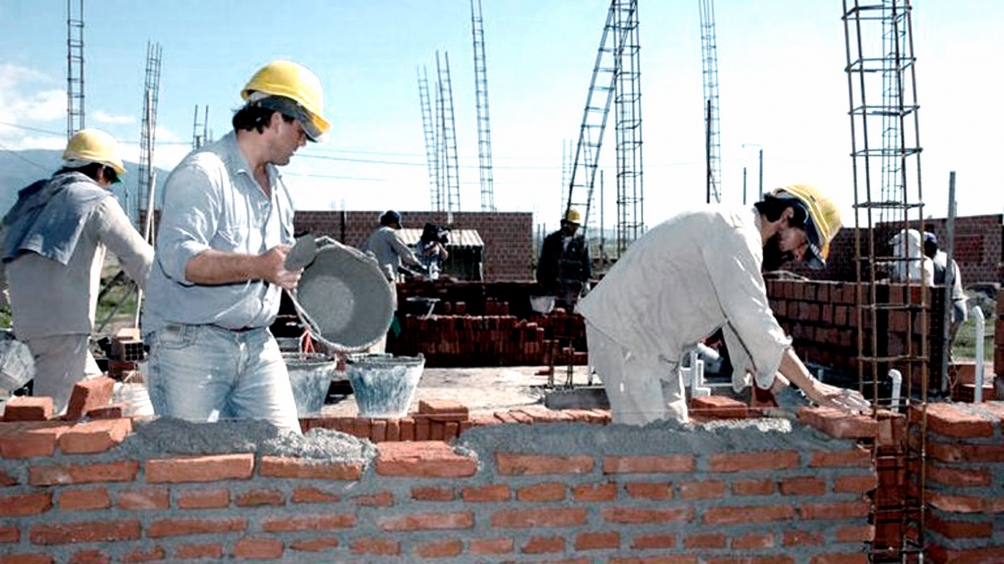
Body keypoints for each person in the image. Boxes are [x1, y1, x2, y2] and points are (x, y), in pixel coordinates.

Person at [142, 60, 331, 435]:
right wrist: (259, 266)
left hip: (258, 344)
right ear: (277, 119)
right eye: (301, 130)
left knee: (286, 453)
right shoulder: (203, 173)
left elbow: (277, 266)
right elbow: (182, 261)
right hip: (191, 345)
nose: (303, 142)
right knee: (195, 466)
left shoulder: (278, 189)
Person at [576, 184, 870, 425]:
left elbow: (734, 314)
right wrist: (813, 388)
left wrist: (761, 372)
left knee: (671, 433)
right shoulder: (736, 232)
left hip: (651, 345)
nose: (797, 256)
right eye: (803, 244)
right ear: (788, 215)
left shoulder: (740, 236)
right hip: (628, 334)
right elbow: (752, 316)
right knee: (648, 449)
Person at [0, 129, 154, 414]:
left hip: (26, 325)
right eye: (112, 178)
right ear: (101, 169)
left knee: (95, 390)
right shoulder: (95, 200)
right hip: (64, 328)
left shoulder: (31, 200)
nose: (109, 185)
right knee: (56, 417)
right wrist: (169, 303)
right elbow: (139, 256)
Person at [536, 207, 591, 310]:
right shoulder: (551, 241)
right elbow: (543, 265)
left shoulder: (581, 243)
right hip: (553, 289)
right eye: (572, 225)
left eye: (576, 225)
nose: (574, 228)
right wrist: (542, 286)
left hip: (572, 291)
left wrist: (586, 283)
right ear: (564, 223)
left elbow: (586, 267)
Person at [923, 231, 968, 348]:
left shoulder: (934, 264)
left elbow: (935, 290)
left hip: (949, 309)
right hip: (958, 308)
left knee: (940, 349)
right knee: (946, 350)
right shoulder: (945, 257)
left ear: (929, 246)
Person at [364, 210, 424, 282]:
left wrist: (408, 272)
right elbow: (405, 254)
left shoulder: (374, 235)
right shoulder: (390, 233)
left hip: (373, 275)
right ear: (392, 222)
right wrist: (419, 265)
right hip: (387, 275)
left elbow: (384, 258)